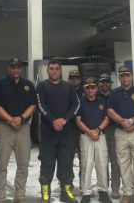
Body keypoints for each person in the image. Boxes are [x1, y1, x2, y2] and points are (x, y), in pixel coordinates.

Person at [0, 57, 37, 203]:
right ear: (8, 68)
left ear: (21, 69)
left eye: (18, 67)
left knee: (23, 164)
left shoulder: (28, 85)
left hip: (23, 128)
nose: (15, 70)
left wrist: (21, 118)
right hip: (4, 127)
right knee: (1, 165)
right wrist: (11, 120)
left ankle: (20, 196)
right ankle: (0, 197)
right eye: (13, 67)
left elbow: (33, 105)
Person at [37, 60, 80, 203]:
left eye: (56, 69)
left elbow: (76, 104)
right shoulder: (42, 86)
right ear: (47, 71)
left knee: (66, 164)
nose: (54, 71)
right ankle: (45, 194)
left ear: (60, 71)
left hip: (66, 133)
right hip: (48, 133)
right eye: (51, 69)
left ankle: (66, 193)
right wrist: (53, 120)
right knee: (47, 163)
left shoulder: (68, 87)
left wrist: (64, 120)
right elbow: (40, 105)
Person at [107, 65, 134, 203]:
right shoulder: (114, 93)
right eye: (122, 75)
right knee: (123, 164)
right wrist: (122, 122)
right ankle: (128, 194)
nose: (125, 78)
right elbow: (110, 111)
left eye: (127, 75)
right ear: (119, 78)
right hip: (120, 133)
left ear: (131, 76)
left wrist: (131, 121)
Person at [75, 78, 112, 203]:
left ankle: (103, 191)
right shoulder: (80, 102)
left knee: (102, 164)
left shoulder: (102, 101)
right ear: (85, 89)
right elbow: (78, 120)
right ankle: (86, 193)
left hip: (100, 136)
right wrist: (89, 131)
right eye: (88, 88)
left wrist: (97, 130)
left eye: (93, 87)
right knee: (86, 165)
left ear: (97, 88)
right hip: (86, 137)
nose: (90, 90)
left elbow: (107, 118)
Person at [99, 73, 121, 198]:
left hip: (114, 130)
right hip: (101, 131)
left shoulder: (116, 95)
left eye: (107, 81)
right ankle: (104, 187)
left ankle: (115, 188)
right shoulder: (95, 95)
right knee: (102, 161)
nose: (105, 84)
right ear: (99, 83)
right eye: (103, 81)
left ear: (110, 83)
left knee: (115, 161)